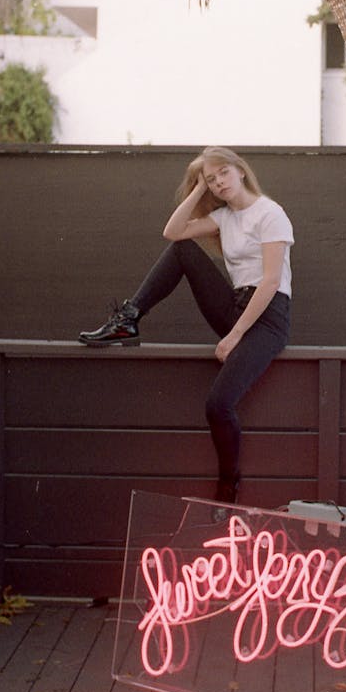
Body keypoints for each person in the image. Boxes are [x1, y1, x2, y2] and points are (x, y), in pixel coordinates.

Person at [79, 147, 293, 504]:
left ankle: (229, 485)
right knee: (182, 250)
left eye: (223, 172)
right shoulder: (224, 217)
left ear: (240, 170)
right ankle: (128, 321)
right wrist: (198, 188)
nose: (219, 182)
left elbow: (271, 282)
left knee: (218, 404)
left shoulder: (271, 214)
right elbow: (173, 232)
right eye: (211, 179)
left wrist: (234, 336)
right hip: (236, 306)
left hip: (267, 318)